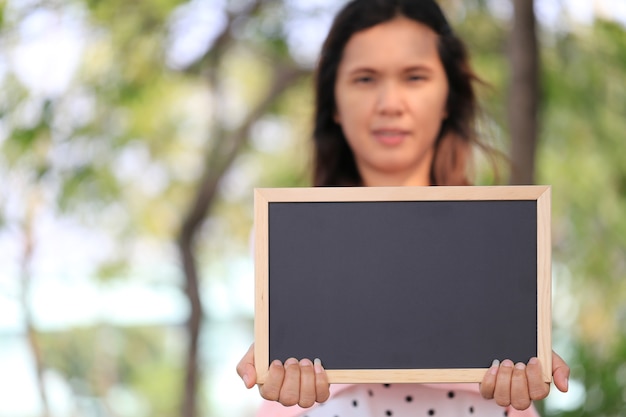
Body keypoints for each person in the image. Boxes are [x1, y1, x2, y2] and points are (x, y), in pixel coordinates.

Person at [237, 0, 570, 416]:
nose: (390, 103)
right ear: (334, 102)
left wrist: (525, 362)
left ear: (448, 95)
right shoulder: (283, 238)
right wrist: (277, 369)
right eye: (364, 78)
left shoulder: (503, 238)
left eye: (415, 76)